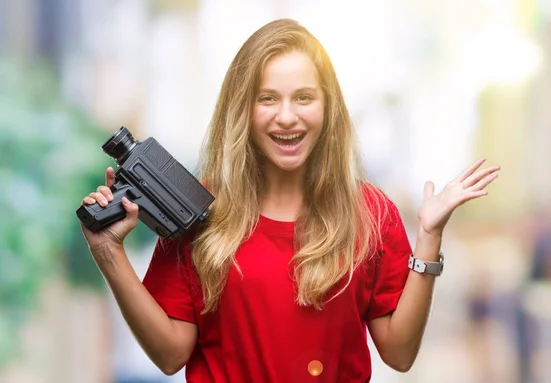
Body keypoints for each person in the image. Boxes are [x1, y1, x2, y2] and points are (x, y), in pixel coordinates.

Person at [80, 18, 500, 383]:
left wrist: (428, 236)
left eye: (303, 97)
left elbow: (399, 353)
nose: (286, 116)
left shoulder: (370, 214)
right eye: (267, 98)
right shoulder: (197, 210)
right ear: (242, 109)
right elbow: (171, 355)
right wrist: (108, 254)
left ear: (327, 107)